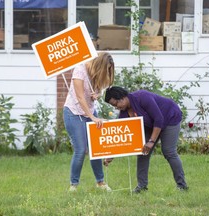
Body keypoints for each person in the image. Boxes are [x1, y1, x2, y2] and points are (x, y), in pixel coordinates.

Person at [104, 86, 188, 193]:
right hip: (151, 124)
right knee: (143, 152)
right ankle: (142, 187)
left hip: (170, 118)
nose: (116, 107)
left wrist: (151, 141)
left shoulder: (143, 97)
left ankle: (182, 186)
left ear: (122, 97)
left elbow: (159, 118)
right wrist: (111, 155)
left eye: (116, 104)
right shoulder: (124, 113)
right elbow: (122, 137)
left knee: (168, 151)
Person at [63, 52, 115, 192]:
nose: (107, 72)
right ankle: (73, 185)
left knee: (96, 149)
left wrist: (96, 95)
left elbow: (96, 92)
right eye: (106, 68)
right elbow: (80, 97)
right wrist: (92, 117)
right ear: (99, 65)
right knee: (81, 150)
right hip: (73, 113)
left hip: (90, 113)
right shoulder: (79, 70)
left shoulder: (96, 74)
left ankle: (100, 183)